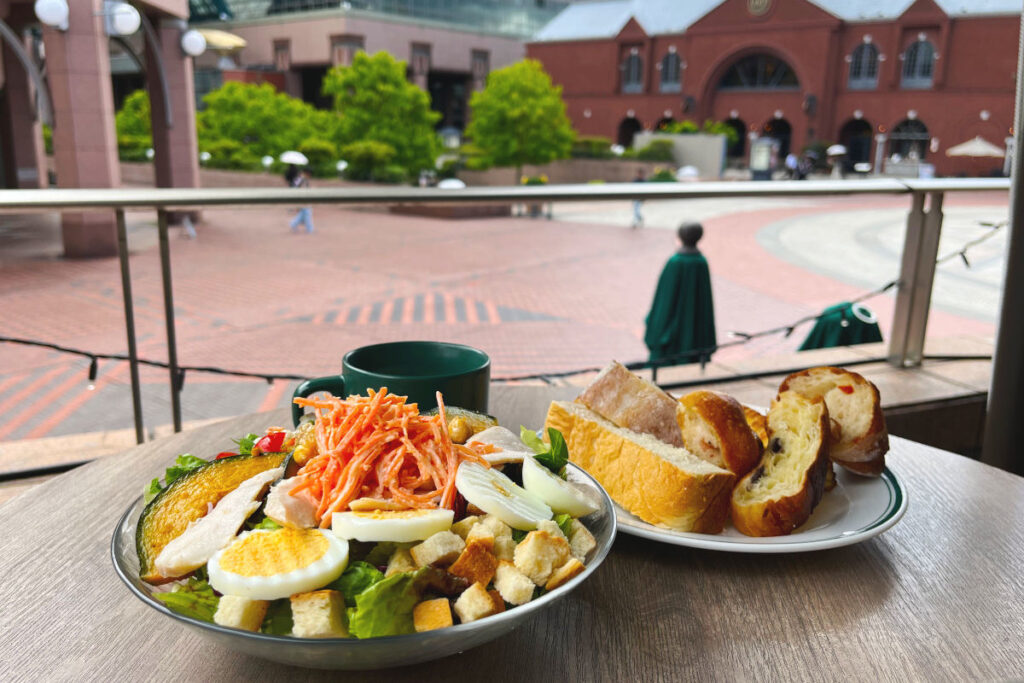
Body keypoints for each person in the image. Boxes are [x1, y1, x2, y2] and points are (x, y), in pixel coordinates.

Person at [644, 222, 717, 371]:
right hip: (696, 339)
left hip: (671, 341)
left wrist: (655, 329)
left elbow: (663, 304)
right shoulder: (701, 263)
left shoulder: (675, 263)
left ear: (680, 236)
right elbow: (704, 308)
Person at [289, 168, 314, 234]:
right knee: (307, 212)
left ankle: (293, 224)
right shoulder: (301, 179)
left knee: (303, 213)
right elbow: (296, 188)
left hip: (303, 199)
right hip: (303, 199)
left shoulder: (301, 178)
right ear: (307, 173)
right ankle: (310, 229)